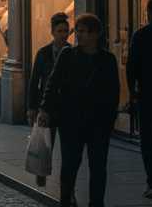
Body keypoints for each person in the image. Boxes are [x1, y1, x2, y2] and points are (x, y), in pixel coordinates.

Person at [39, 13, 119, 207]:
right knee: (69, 166)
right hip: (71, 121)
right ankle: (66, 200)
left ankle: (96, 203)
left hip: (98, 124)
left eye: (83, 32)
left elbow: (113, 93)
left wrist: (109, 122)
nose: (78, 36)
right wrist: (44, 109)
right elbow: (52, 82)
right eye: (78, 31)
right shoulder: (68, 55)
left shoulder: (107, 60)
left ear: (95, 34)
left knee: (98, 167)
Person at [27, 12, 71, 185]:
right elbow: (34, 81)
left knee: (69, 150)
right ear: (53, 32)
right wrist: (32, 107)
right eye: (60, 31)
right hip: (47, 108)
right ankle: (41, 170)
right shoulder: (43, 53)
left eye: (66, 31)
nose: (64, 34)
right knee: (46, 143)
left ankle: (67, 187)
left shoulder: (71, 52)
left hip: (67, 107)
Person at [128, 0, 152, 199]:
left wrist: (133, 92)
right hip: (147, 94)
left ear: (148, 13)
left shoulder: (140, 36)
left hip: (147, 95)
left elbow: (131, 67)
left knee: (147, 139)